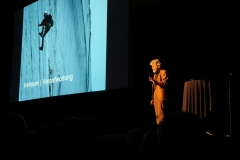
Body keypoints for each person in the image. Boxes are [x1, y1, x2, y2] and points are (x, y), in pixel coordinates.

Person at [149, 59, 168, 125]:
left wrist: (156, 82)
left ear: (158, 65)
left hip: (160, 96)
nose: (152, 68)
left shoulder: (163, 72)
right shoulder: (154, 75)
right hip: (156, 97)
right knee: (157, 115)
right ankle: (158, 129)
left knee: (161, 115)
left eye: (153, 66)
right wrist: (152, 99)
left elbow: (165, 83)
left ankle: (162, 130)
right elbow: (154, 88)